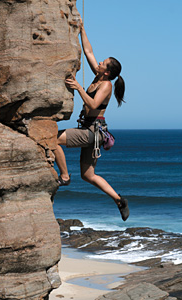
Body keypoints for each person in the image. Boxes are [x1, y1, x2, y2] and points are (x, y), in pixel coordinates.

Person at [54, 21, 129, 221]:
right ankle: (119, 200)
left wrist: (78, 87)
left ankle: (64, 176)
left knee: (52, 139)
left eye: (103, 63)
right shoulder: (99, 76)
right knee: (88, 175)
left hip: (91, 132)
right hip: (91, 131)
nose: (99, 63)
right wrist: (82, 30)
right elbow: (88, 51)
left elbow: (94, 105)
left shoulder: (105, 85)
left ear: (107, 72)